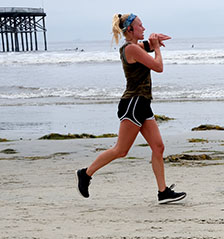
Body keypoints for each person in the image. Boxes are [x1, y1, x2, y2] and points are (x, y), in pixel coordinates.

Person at [75, 13, 185, 204]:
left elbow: (148, 45)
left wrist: (156, 40)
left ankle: (163, 192)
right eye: (140, 26)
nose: (144, 28)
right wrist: (157, 48)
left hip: (143, 104)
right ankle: (85, 173)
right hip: (133, 104)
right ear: (130, 30)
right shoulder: (130, 49)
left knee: (158, 147)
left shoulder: (136, 47)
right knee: (121, 150)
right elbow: (158, 67)